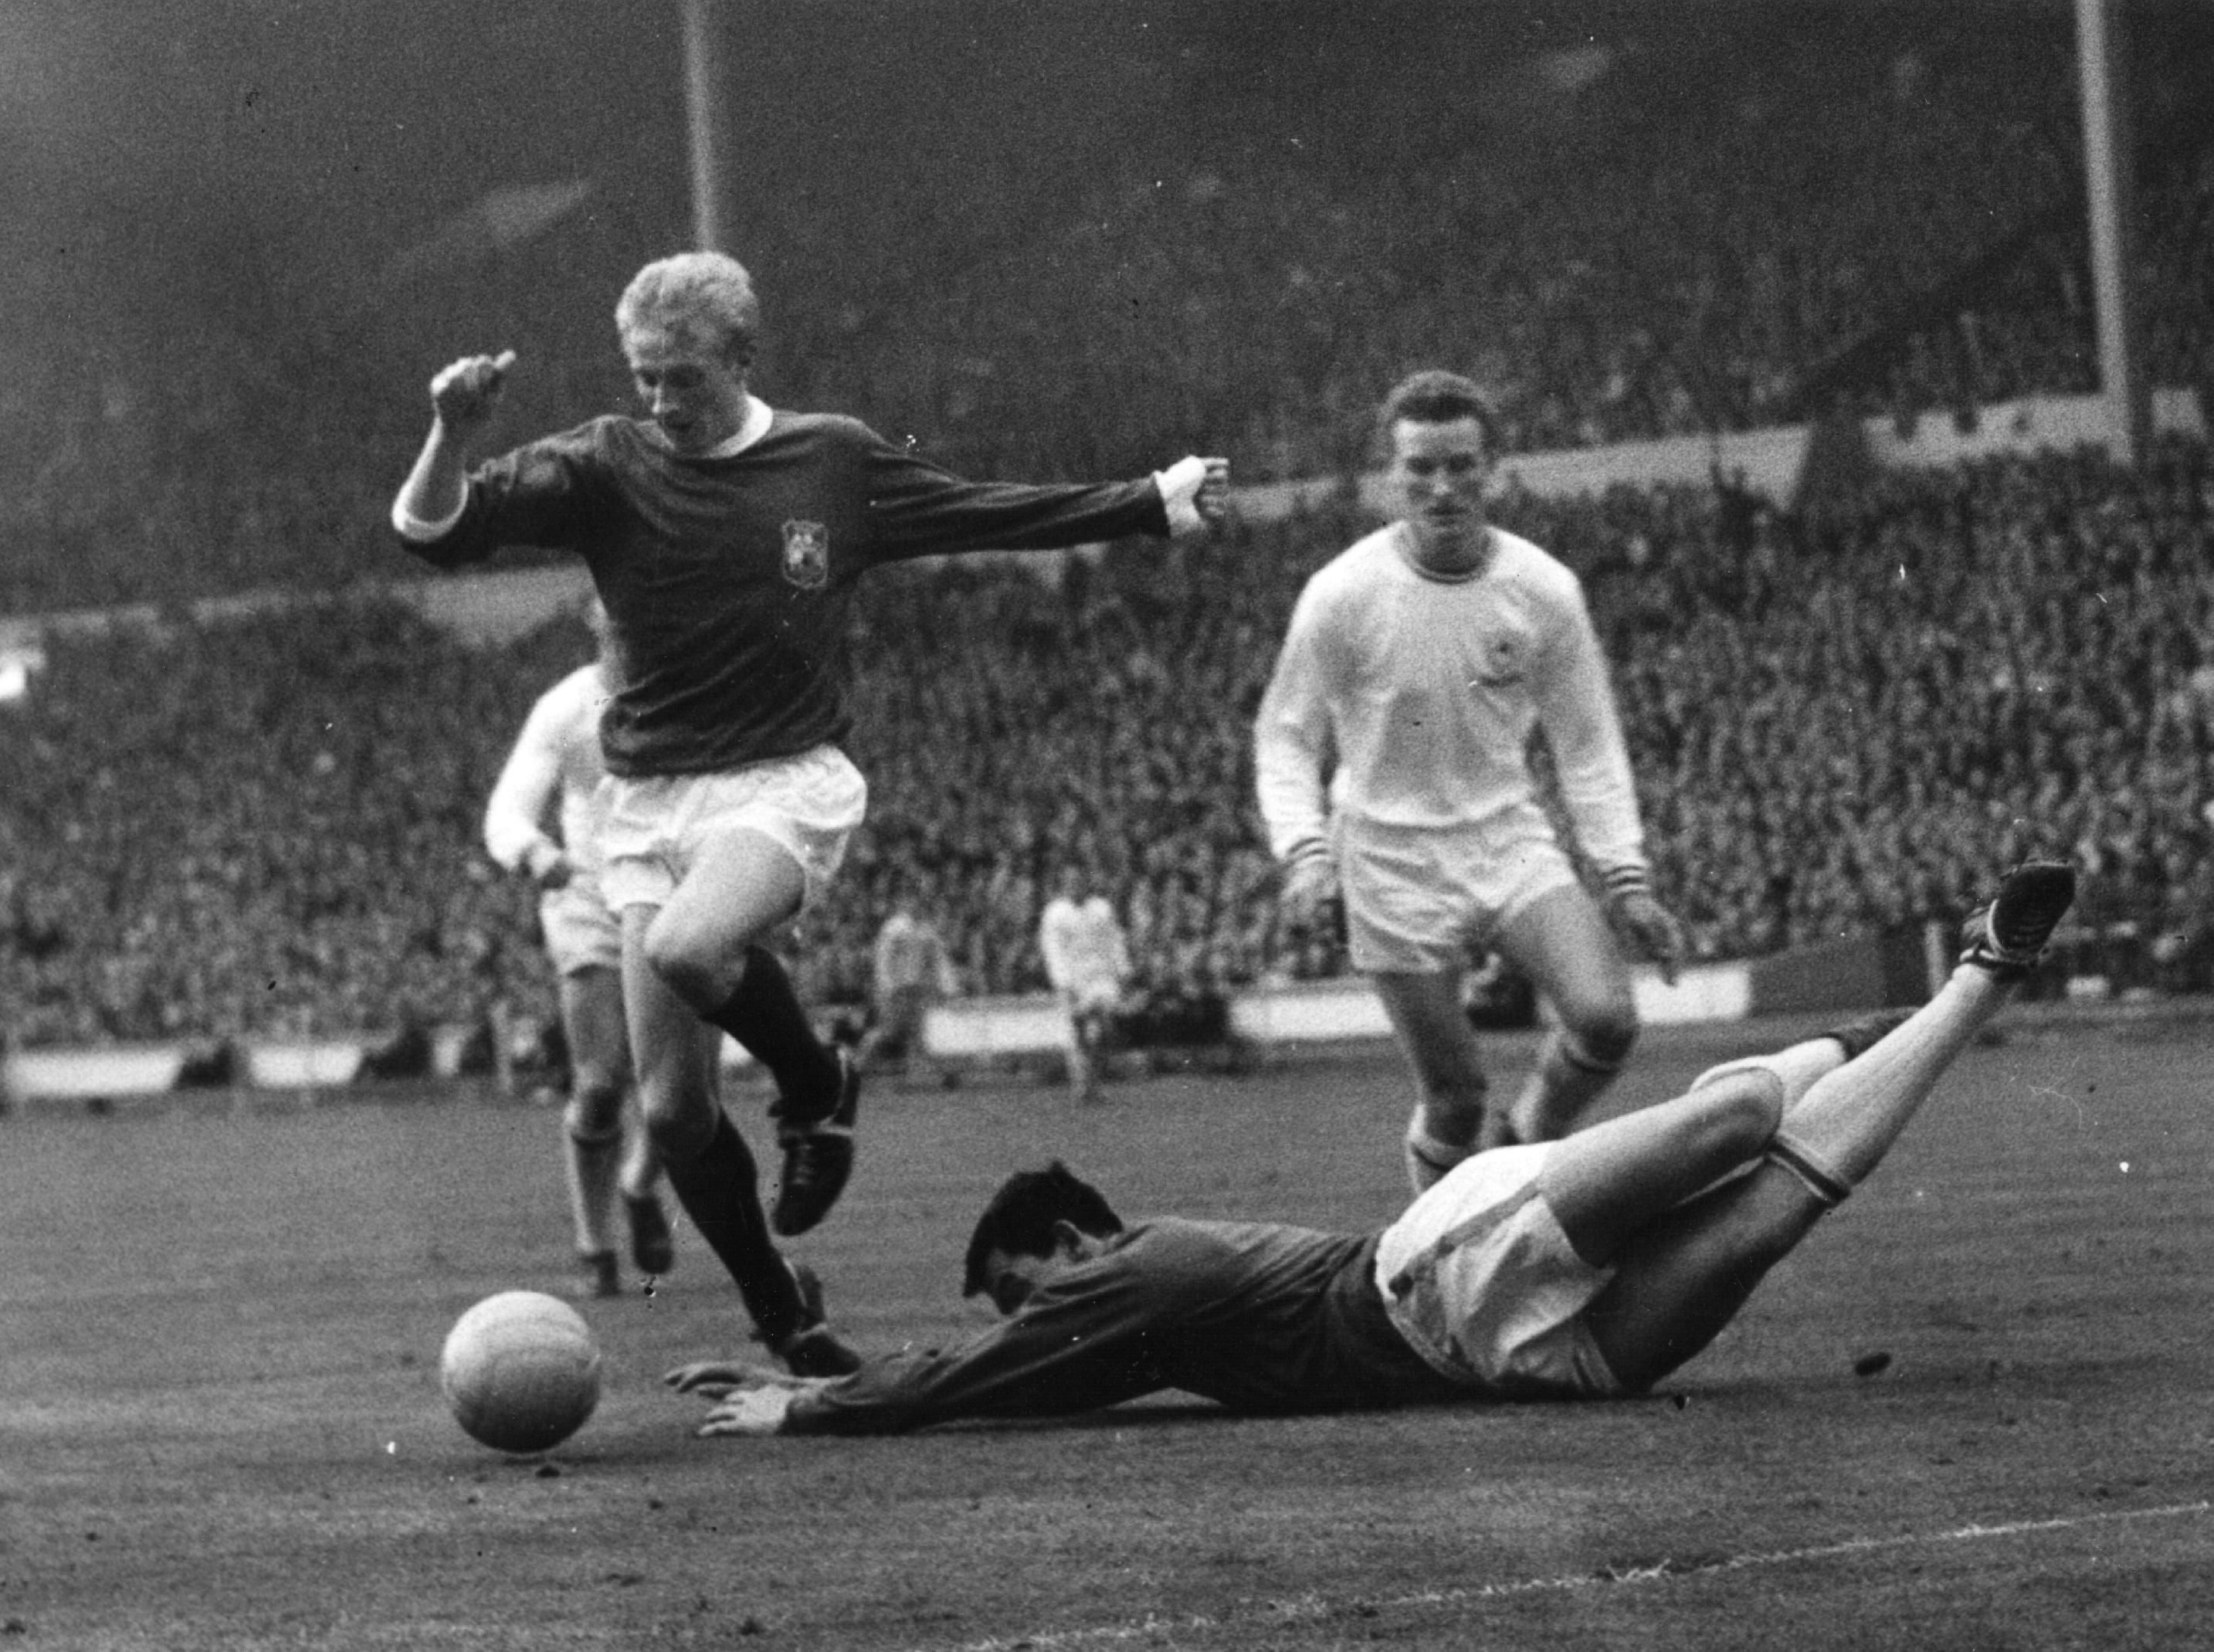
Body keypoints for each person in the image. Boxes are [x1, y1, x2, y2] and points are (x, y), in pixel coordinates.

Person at [391, 249, 1229, 1374]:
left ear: (741, 359)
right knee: (673, 1108)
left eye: (681, 376)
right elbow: (433, 533)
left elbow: (973, 511)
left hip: (782, 780)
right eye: (642, 376)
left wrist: (1146, 502)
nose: (658, 399)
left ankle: (816, 1083)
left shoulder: (826, 460)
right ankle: (784, 1311)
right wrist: (451, 429)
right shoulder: (603, 460)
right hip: (646, 804)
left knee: (693, 944)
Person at [664, 860, 2074, 1435]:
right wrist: (836, 1369)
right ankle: (1975, 981)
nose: (1039, 1317)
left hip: (1439, 1270)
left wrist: (808, 1407)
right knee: (1779, 1206)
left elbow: (991, 1369)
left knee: (1729, 1121)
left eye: (1025, 1283)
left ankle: (1856, 1033)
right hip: (1516, 1365)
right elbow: (1008, 1382)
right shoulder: (1151, 1324)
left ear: (1078, 1243)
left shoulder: (1146, 1266)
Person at [1254, 369, 1687, 1193]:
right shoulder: (1341, 594)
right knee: (1452, 1097)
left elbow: (1586, 742)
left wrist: (1624, 876)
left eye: (1459, 465)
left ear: (1492, 468)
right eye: (1420, 467)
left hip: (1503, 833)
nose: (1441, 486)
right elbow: (1283, 736)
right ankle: (1437, 1261)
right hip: (1385, 853)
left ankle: (1523, 1146)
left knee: (1605, 1019)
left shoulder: (1543, 591)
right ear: (1391, 473)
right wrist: (1304, 854)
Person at [483, 601, 690, 1298]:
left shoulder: (693, 689)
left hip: (677, 898)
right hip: (589, 899)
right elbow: (507, 810)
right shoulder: (566, 707)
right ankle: (594, 1247)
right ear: (596, 621)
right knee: (600, 1084)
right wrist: (533, 851)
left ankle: (638, 1186)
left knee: (678, 1098)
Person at [1037, 867, 1133, 1102]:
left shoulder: (1102, 908)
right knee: (1077, 1033)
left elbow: (1115, 940)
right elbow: (1053, 951)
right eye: (1070, 882)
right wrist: (1063, 983)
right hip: (1072, 979)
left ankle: (1094, 1081)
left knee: (1104, 1025)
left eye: (1079, 881)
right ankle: (1084, 1087)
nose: (1076, 886)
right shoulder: (1054, 913)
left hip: (1101, 978)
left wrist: (1123, 969)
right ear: (1063, 885)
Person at [856, 894, 961, 1087]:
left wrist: (947, 986)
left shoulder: (927, 930)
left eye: (921, 901)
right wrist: (887, 988)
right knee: (886, 1033)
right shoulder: (894, 928)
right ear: (904, 903)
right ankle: (855, 1071)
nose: (918, 904)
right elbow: (883, 959)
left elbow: (938, 960)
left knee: (918, 1035)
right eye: (913, 901)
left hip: (916, 990)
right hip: (897, 991)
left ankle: (947, 1075)